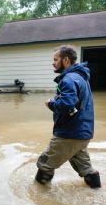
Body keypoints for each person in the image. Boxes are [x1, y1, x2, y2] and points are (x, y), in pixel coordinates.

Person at [35, 45, 101, 188]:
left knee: (44, 164)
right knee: (86, 169)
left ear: (66, 60)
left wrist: (51, 104)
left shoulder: (68, 79)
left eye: (55, 59)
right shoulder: (81, 78)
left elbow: (67, 104)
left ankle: (36, 197)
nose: (53, 62)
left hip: (68, 134)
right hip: (84, 133)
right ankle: (97, 193)